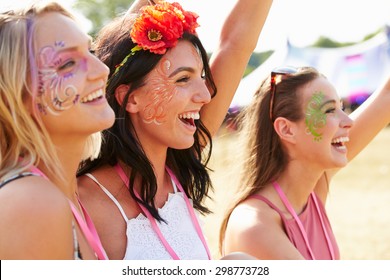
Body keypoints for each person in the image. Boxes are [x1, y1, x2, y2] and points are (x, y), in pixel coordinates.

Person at [77, 0, 272, 260]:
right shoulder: (80, 200)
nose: (205, 95)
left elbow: (236, 43)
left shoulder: (177, 170)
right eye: (183, 79)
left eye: (202, 76)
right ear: (129, 98)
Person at [219, 65, 390, 260]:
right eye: (329, 110)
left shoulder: (313, 186)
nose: (348, 121)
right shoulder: (253, 225)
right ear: (286, 129)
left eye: (341, 108)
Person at [0, 1, 115, 259]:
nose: (102, 70)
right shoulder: (30, 202)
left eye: (91, 51)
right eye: (67, 64)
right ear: (15, 96)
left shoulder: (67, 194)